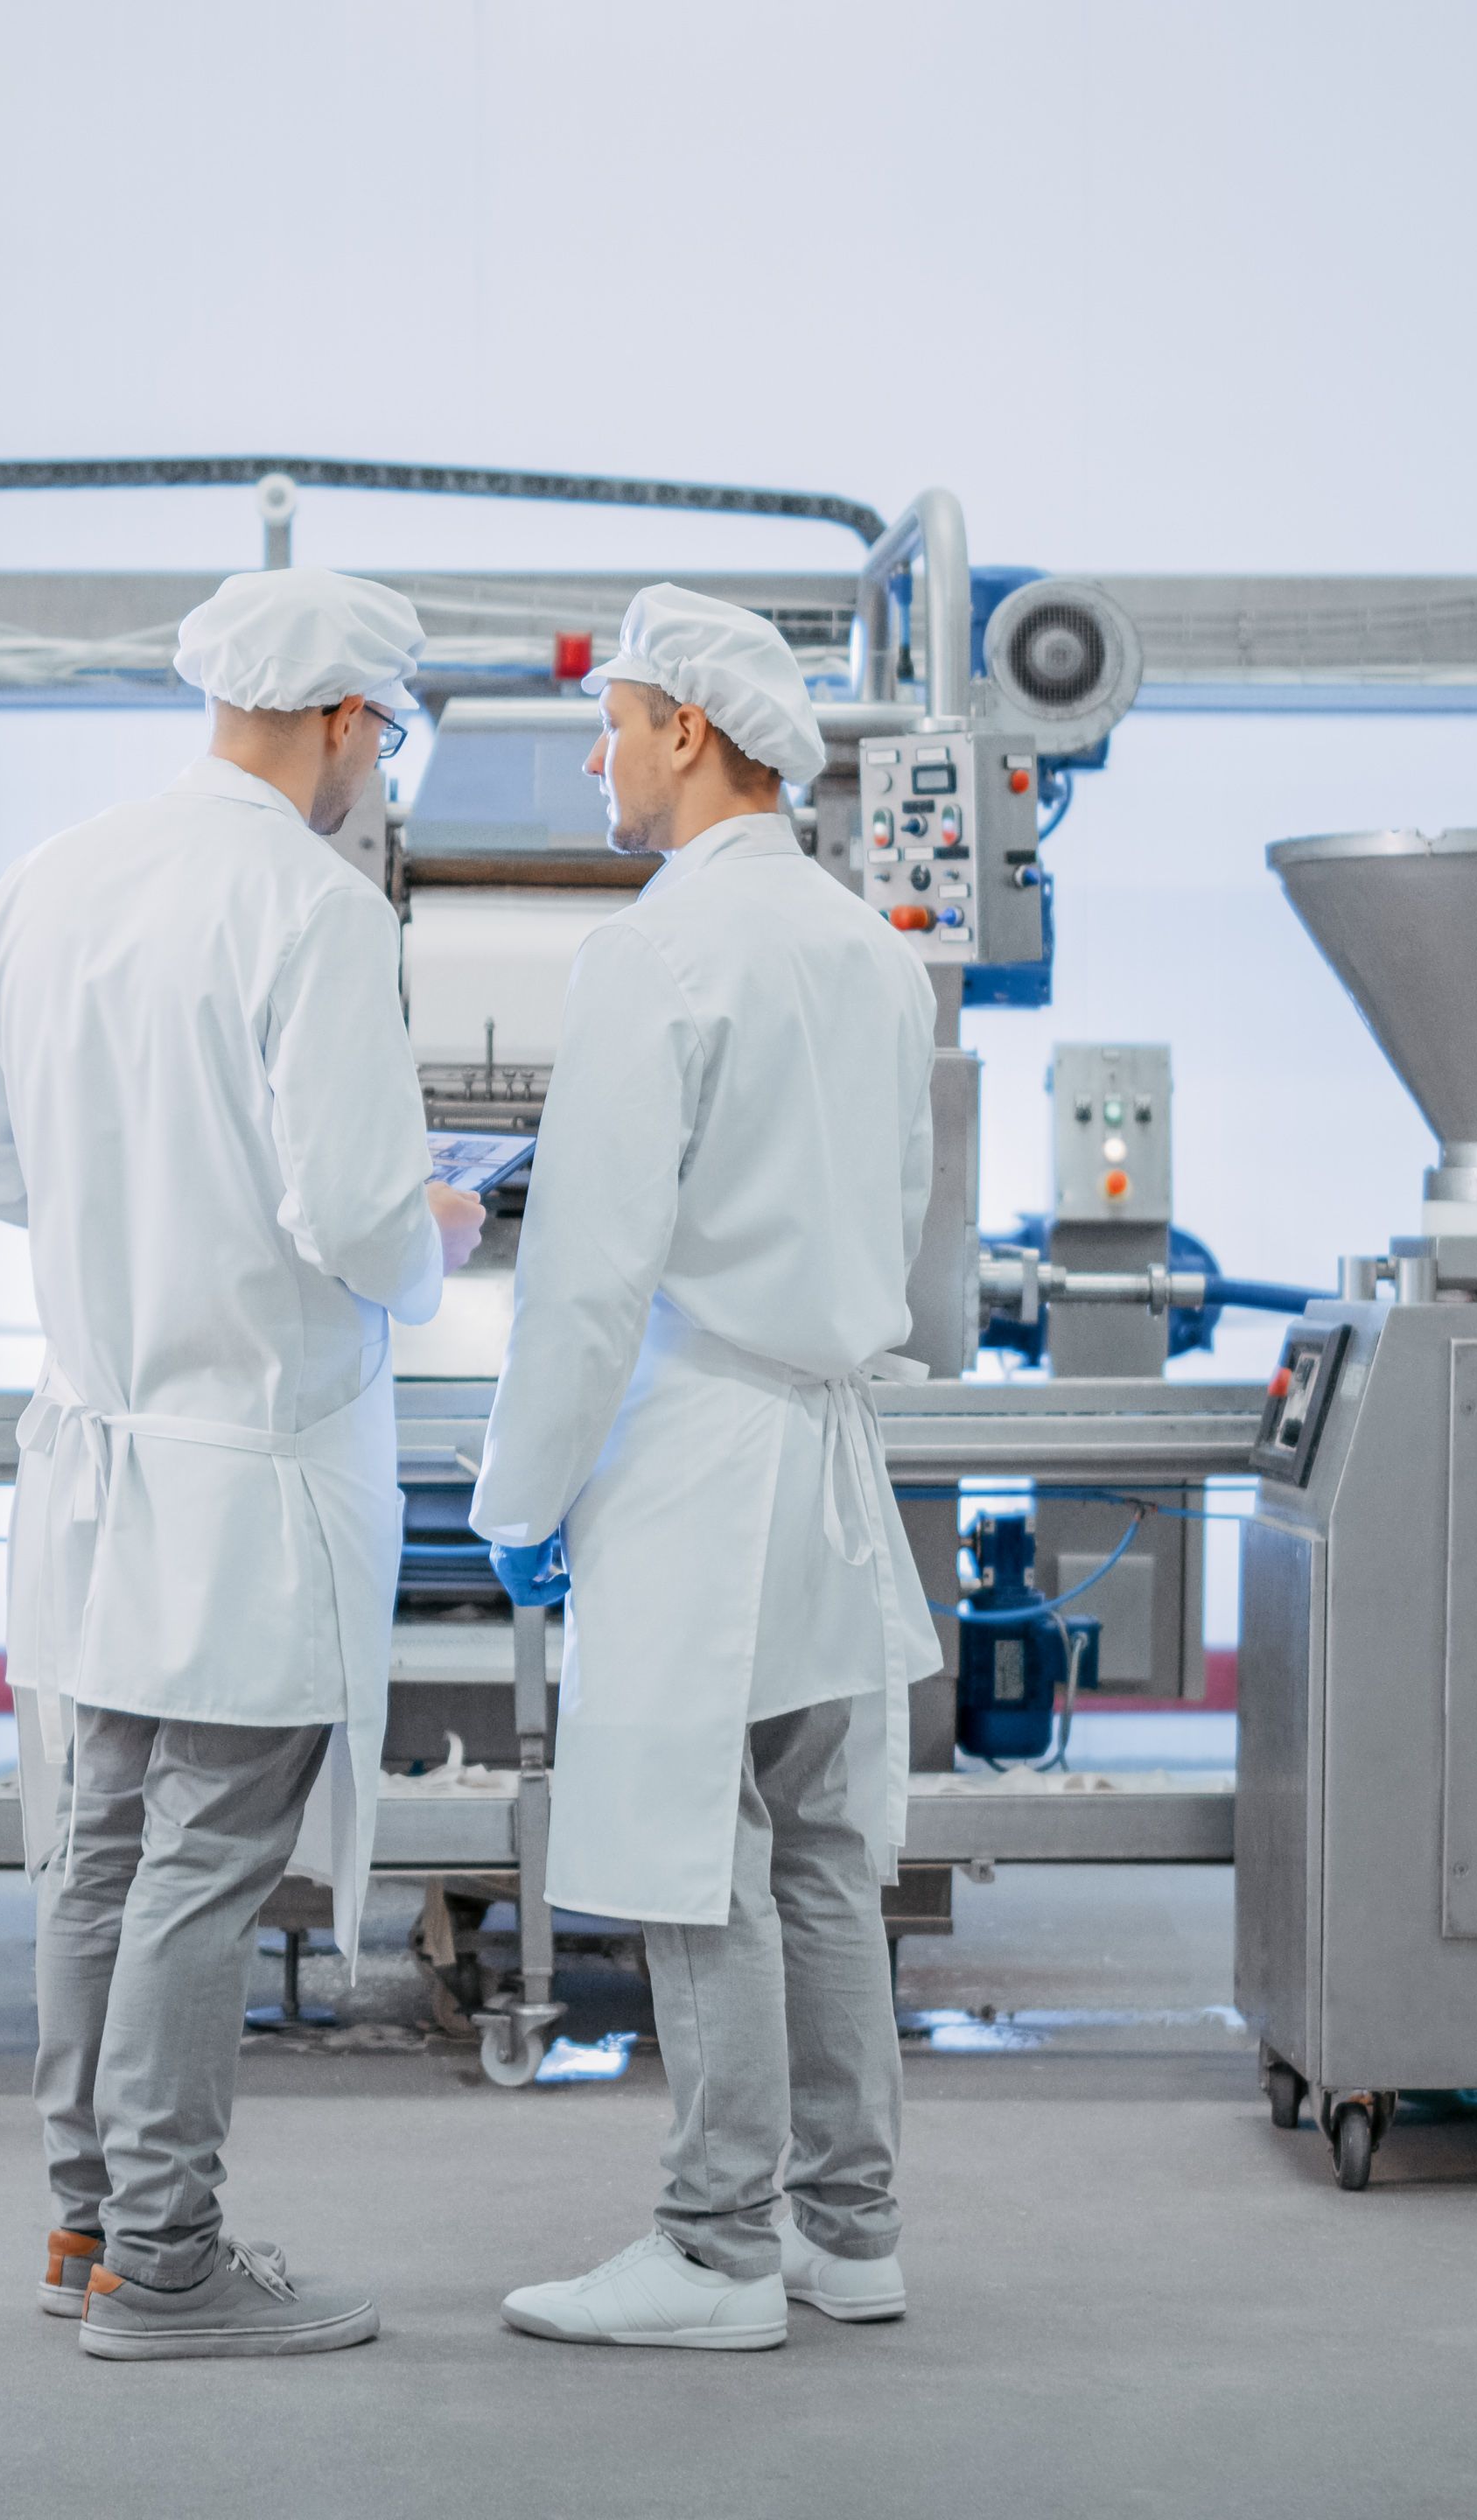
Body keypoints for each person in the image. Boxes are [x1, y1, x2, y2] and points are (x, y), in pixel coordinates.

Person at [0, 567, 485, 2362]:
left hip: (98, 1458)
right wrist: (448, 1225)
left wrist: (136, 1213)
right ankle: (169, 2267)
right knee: (198, 1866)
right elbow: (357, 1224)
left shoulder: (55, 876)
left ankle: (86, 2228)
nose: (375, 777)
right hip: (250, 1466)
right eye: (382, 743)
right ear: (342, 724)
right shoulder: (311, 911)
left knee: (95, 1850)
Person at [470, 584, 944, 2349]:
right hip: (827, 1447)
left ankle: (715, 2251)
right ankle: (850, 2229)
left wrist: (516, 1497)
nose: (598, 754)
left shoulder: (655, 952)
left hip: (693, 1454)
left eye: (611, 720)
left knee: (702, 1861)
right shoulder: (868, 948)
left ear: (685, 730)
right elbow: (892, 1220)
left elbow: (586, 1274)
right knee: (827, 1858)